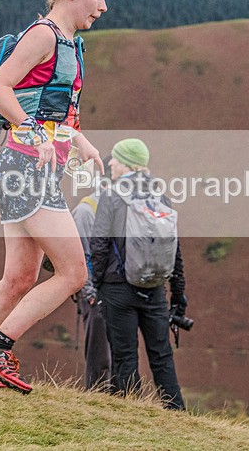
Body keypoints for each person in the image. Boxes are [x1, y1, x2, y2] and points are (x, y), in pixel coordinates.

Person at [0, 0, 109, 394]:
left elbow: (56, 111)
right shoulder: (44, 35)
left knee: (19, 278)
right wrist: (33, 131)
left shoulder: (71, 44)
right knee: (74, 273)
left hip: (28, 169)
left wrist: (81, 142)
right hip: (24, 168)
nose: (103, 6)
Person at [90, 139, 188, 410]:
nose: (110, 163)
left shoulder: (111, 196)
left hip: (117, 288)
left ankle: (129, 413)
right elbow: (174, 250)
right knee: (162, 356)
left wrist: (97, 285)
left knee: (124, 356)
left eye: (116, 159)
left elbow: (98, 245)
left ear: (127, 163)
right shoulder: (160, 195)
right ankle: (177, 414)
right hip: (155, 287)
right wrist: (178, 293)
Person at [70, 156, 112, 391]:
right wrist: (90, 294)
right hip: (94, 293)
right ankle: (98, 396)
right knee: (100, 353)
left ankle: (118, 399)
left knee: (119, 351)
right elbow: (81, 255)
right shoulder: (86, 211)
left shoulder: (119, 210)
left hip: (115, 290)